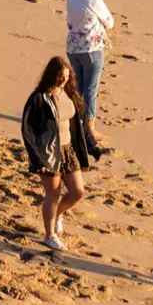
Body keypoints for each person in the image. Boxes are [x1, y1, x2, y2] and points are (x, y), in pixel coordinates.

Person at [21, 54, 98, 252]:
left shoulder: (70, 93)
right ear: (51, 76)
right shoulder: (39, 98)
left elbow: (81, 123)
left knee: (77, 192)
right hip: (48, 153)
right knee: (53, 195)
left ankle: (57, 215)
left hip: (68, 150)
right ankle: (49, 236)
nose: (63, 80)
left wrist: (92, 145)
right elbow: (27, 129)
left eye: (66, 76)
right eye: (60, 77)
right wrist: (36, 157)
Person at [65, 0, 115, 141]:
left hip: (72, 47)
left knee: (77, 87)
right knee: (91, 89)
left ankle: (73, 122)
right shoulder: (94, 0)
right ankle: (90, 129)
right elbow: (110, 22)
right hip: (91, 49)